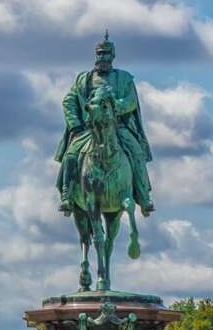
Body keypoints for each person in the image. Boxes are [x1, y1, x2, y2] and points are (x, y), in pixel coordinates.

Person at [55, 33, 154, 216]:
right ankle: (67, 195)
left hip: (117, 127)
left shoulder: (124, 78)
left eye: (106, 54)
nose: (102, 57)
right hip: (88, 129)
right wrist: (75, 125)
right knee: (71, 154)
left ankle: (143, 196)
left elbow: (131, 101)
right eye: (99, 54)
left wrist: (116, 106)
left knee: (137, 152)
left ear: (113, 56)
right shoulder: (83, 79)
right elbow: (69, 101)